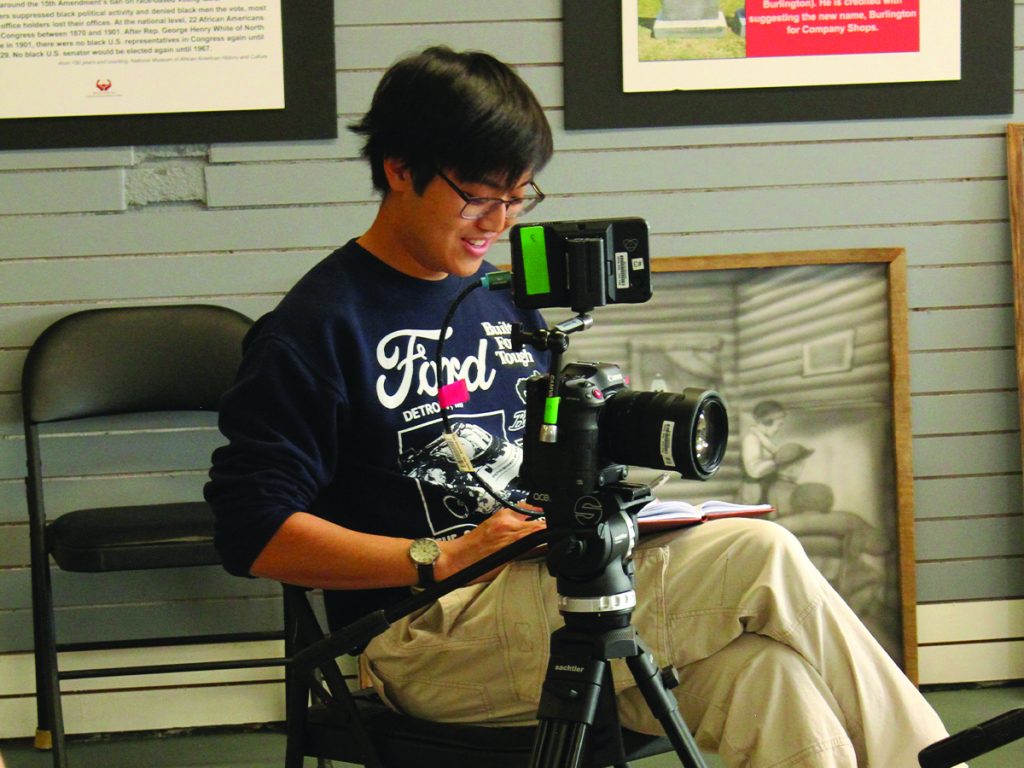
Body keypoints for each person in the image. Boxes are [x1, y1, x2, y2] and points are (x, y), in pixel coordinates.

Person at [206, 46, 960, 767]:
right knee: (760, 556)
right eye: (477, 195)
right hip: (417, 638)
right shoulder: (317, 327)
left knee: (765, 676)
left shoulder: (502, 302)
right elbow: (253, 530)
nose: (498, 221)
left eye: (517, 195)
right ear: (400, 169)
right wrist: (441, 555)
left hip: (549, 590)